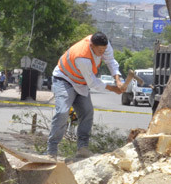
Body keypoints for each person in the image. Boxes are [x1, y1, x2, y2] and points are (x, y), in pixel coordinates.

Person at [47, 32, 123, 160]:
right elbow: (93, 82)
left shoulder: (105, 44)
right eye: (99, 50)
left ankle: (82, 148)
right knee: (62, 112)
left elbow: (111, 61)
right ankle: (51, 151)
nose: (102, 52)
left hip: (81, 83)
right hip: (64, 80)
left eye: (104, 49)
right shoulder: (82, 57)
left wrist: (118, 80)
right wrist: (113, 89)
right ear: (91, 45)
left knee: (87, 112)